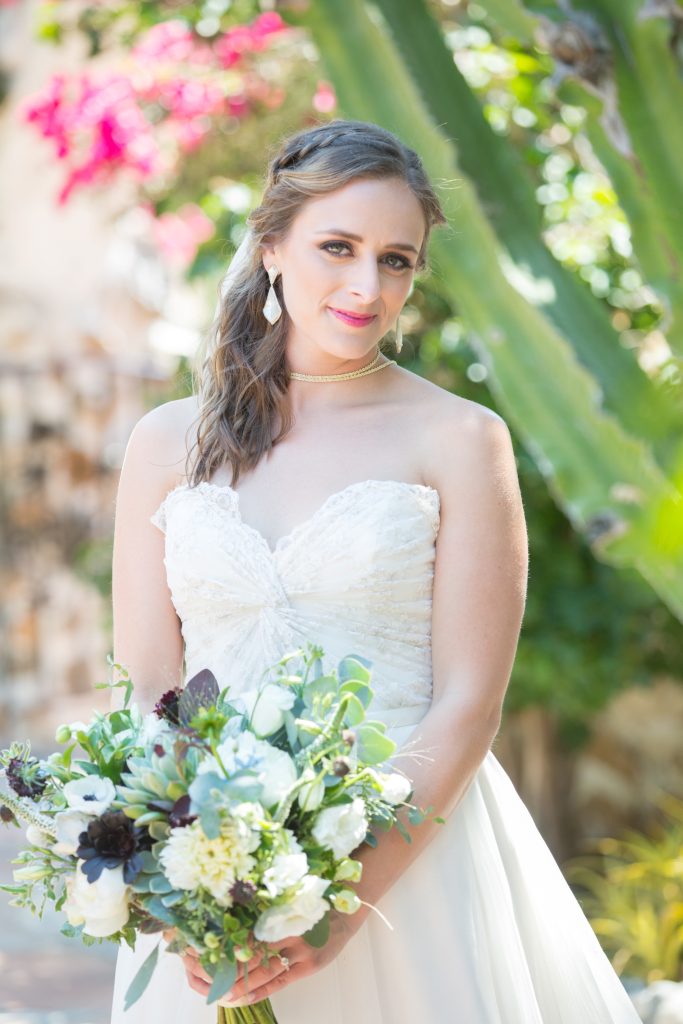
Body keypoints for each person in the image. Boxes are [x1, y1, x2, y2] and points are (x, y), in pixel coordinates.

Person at [109, 119, 641, 1022]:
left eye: (396, 260)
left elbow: (469, 700)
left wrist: (343, 907)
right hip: (214, 867)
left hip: (411, 868)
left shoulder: (461, 439)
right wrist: (191, 872)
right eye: (338, 248)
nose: (366, 286)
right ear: (271, 246)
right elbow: (153, 680)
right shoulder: (167, 440)